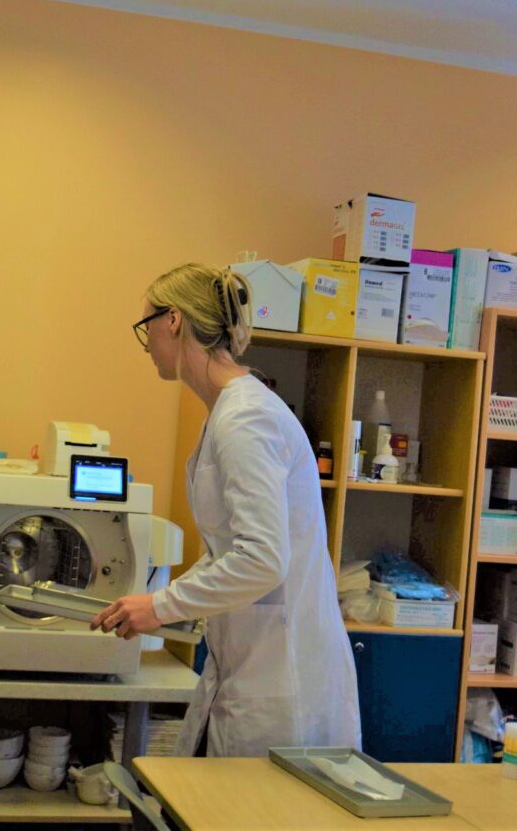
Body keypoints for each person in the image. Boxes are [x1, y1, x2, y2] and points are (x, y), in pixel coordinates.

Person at [91, 262, 361, 757]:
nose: (146, 344)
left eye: (146, 327)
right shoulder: (228, 414)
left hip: (283, 686)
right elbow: (229, 551)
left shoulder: (245, 417)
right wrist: (157, 603)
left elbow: (262, 559)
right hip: (252, 664)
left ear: (173, 320)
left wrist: (160, 606)